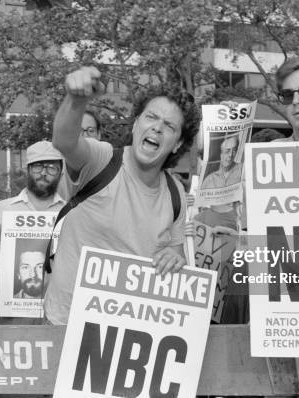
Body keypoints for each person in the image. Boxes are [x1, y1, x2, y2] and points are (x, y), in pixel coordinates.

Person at [45, 66, 199, 325]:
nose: (157, 128)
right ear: (136, 121)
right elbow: (64, 142)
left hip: (126, 336)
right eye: (151, 117)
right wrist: (76, 99)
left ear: (179, 143)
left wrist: (175, 259)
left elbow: (176, 256)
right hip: (66, 325)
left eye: (169, 126)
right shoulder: (102, 160)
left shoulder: (176, 195)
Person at [0, 141, 65, 323]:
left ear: (61, 172)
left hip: (53, 315)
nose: (44, 173)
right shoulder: (2, 210)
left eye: (51, 167)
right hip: (8, 315)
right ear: (27, 169)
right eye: (38, 166)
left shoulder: (69, 213)